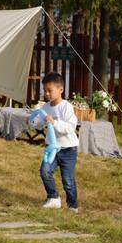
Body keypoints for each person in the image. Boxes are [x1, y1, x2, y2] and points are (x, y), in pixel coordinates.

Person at [39, 72, 79, 212]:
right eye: (45, 91)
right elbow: (38, 122)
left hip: (68, 149)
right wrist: (33, 122)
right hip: (52, 149)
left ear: (60, 89)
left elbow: (70, 127)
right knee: (45, 171)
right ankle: (54, 198)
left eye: (50, 90)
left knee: (68, 181)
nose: (47, 94)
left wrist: (54, 122)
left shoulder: (66, 107)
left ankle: (72, 205)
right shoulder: (45, 107)